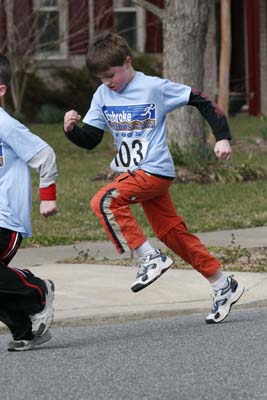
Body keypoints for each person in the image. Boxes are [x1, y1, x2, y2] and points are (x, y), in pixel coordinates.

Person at [63, 32, 244, 324]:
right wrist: (71, 131)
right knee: (172, 234)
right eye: (101, 78)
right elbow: (91, 139)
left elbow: (202, 100)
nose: (107, 82)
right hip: (134, 175)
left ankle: (149, 257)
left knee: (105, 202)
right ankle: (223, 284)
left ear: (127, 61)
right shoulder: (102, 95)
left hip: (154, 170)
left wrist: (222, 138)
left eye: (111, 74)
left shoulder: (153, 87)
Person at [0, 53, 58, 351]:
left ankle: (38, 293)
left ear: (1, 90)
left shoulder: (5, 124)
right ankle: (24, 330)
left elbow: (45, 154)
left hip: (5, 217)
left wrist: (47, 197)